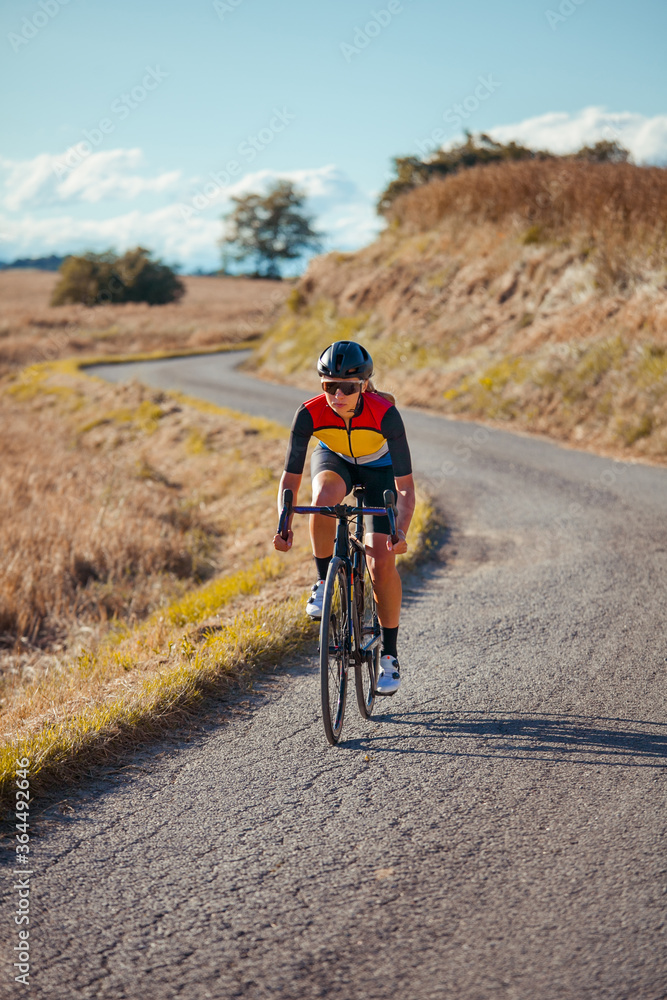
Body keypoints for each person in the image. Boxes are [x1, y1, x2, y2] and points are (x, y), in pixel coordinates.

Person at [273, 340, 415, 695]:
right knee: (322, 499)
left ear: (364, 386)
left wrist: (399, 531)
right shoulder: (309, 413)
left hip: (380, 472)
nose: (337, 395)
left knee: (381, 560)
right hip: (334, 461)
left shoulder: (385, 414)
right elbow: (290, 480)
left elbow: (406, 489)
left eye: (347, 388)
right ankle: (323, 583)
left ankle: (390, 656)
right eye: (329, 386)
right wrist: (283, 523)